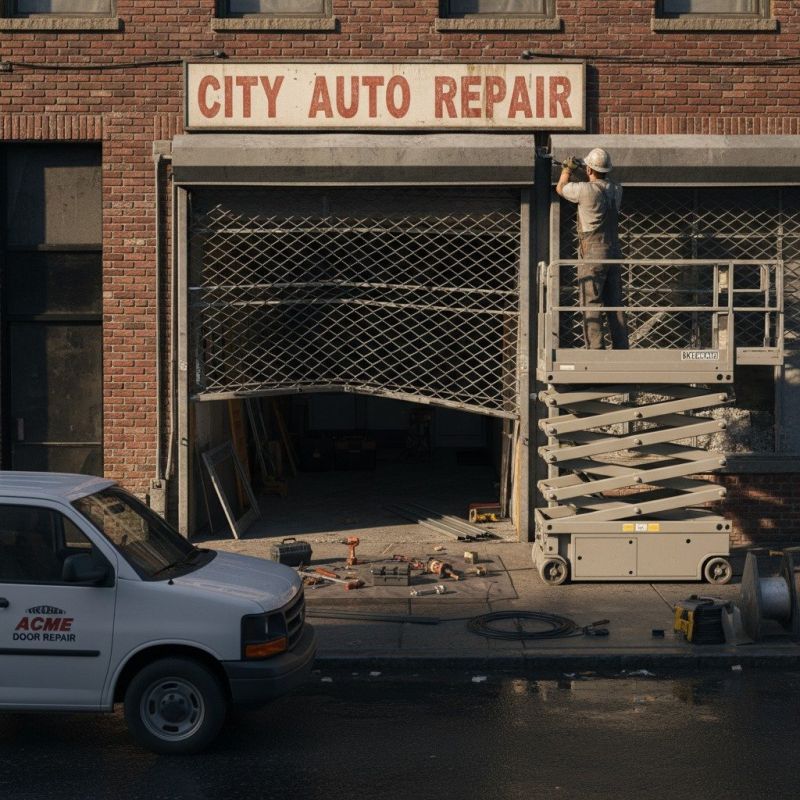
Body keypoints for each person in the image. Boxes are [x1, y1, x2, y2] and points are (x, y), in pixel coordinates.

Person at [556, 147, 629, 350]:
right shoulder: (617, 189)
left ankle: (596, 350)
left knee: (591, 302)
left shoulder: (585, 190)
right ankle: (622, 348)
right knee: (615, 304)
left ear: (589, 170)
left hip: (593, 251)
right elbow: (601, 183)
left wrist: (567, 170)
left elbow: (561, 188)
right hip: (614, 251)